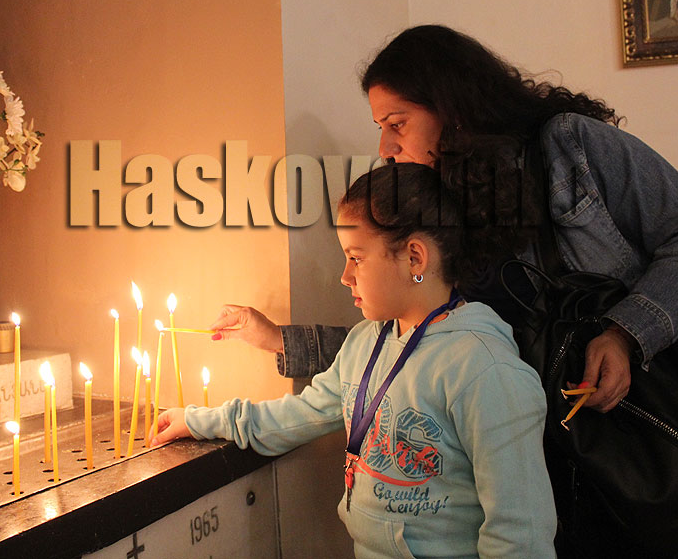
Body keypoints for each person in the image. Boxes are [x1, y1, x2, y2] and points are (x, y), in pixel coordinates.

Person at [208, 25, 678, 556]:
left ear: (452, 110)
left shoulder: (570, 146)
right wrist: (279, 339)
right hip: (578, 463)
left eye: (397, 123)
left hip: (676, 438)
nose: (385, 146)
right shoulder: (450, 207)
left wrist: (627, 332)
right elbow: (420, 346)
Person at [156, 163, 556, 558]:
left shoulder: (485, 369)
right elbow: (300, 414)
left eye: (357, 258)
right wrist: (201, 421)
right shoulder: (366, 342)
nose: (345, 276)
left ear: (414, 258)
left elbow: (519, 535)